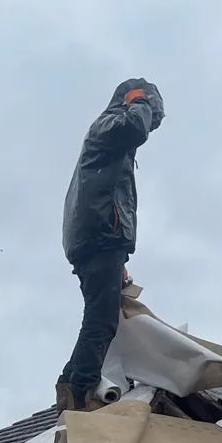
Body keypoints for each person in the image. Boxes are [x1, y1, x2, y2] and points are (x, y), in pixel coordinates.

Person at [56, 77, 165, 412]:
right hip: (101, 235)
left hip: (96, 236)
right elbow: (136, 127)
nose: (151, 122)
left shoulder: (108, 138)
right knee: (102, 321)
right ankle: (82, 392)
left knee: (97, 315)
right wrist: (140, 101)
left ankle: (69, 383)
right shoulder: (114, 124)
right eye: (153, 115)